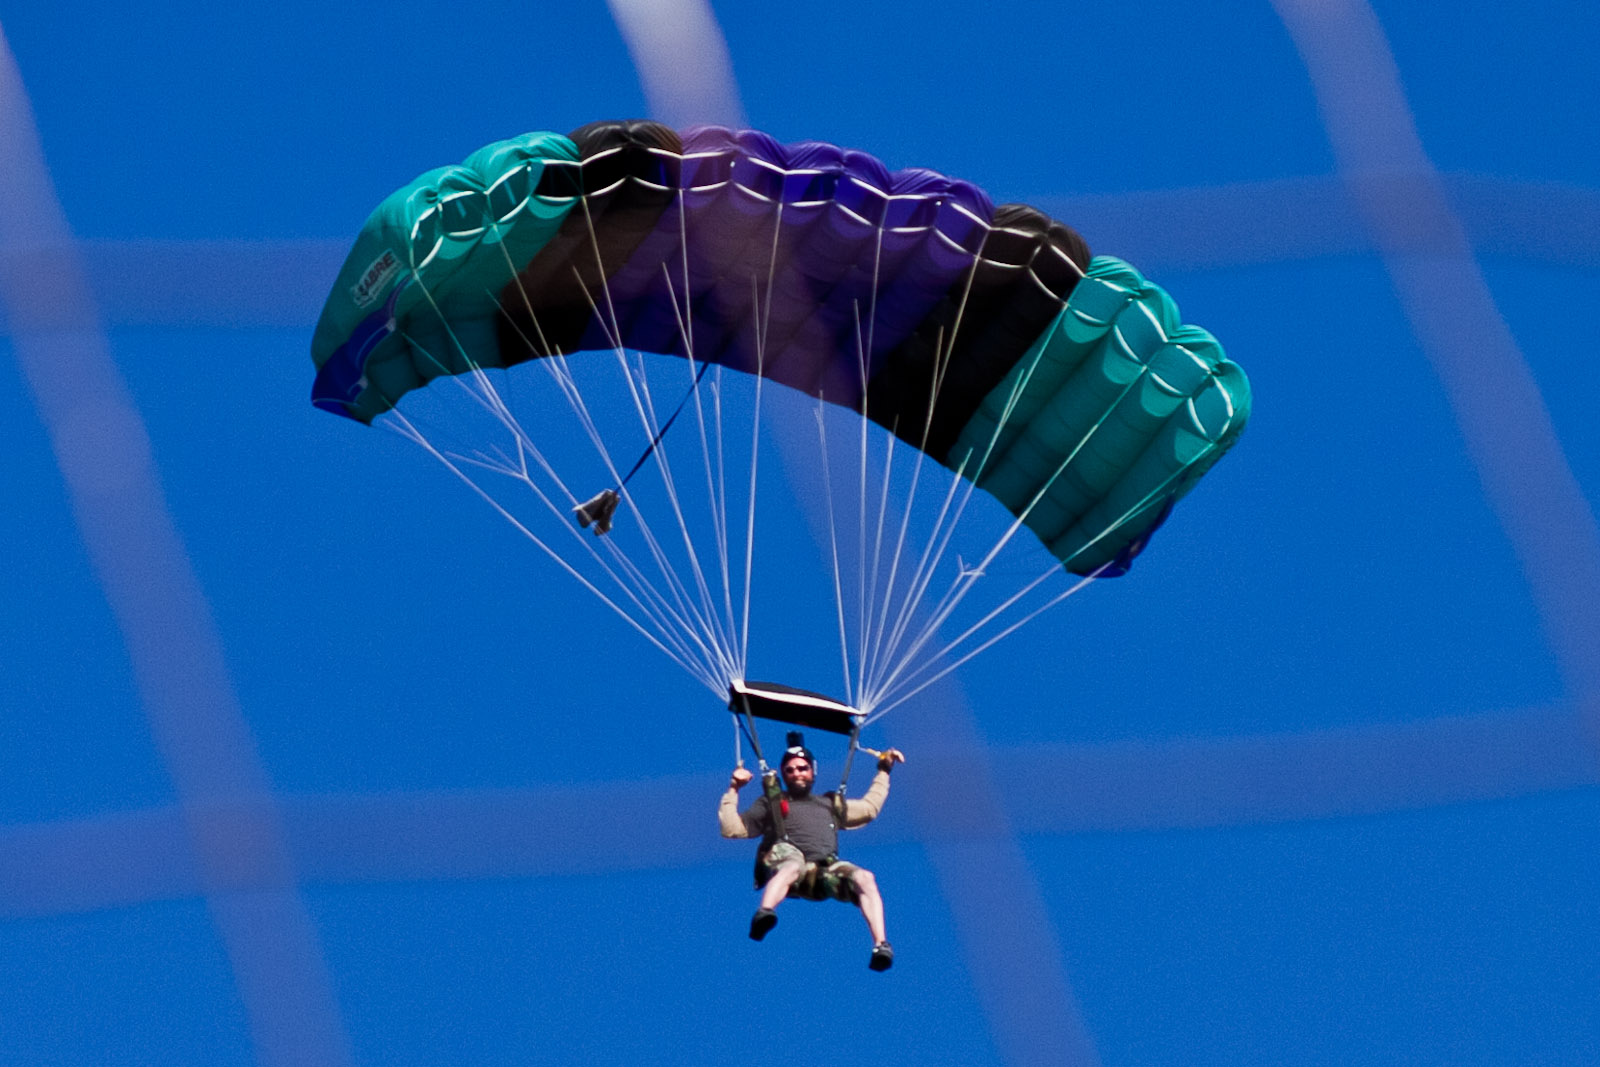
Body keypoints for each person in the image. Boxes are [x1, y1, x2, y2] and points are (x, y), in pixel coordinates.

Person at [719, 735, 906, 971]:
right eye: (790, 770)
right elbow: (731, 829)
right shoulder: (771, 803)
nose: (797, 773)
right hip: (787, 862)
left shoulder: (829, 804)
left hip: (822, 871)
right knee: (792, 864)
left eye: (802, 768)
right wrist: (734, 788)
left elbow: (869, 808)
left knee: (865, 878)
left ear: (812, 771)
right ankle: (764, 913)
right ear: (783, 775)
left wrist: (884, 770)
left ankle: (881, 945)